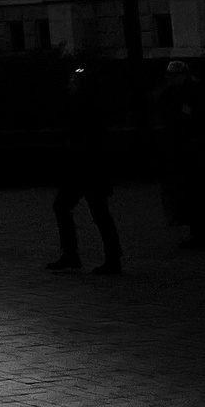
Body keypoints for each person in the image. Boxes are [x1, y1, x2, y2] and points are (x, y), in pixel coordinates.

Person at [47, 68, 122, 274]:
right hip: (83, 168)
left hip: (89, 168)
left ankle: (108, 258)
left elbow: (87, 137)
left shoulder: (89, 107)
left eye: (74, 82)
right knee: (75, 209)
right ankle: (76, 254)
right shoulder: (83, 105)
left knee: (97, 213)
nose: (70, 85)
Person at [157, 60, 205, 249]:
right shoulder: (193, 90)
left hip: (193, 149)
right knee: (196, 193)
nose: (170, 79)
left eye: (173, 75)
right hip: (191, 148)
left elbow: (191, 120)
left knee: (198, 192)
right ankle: (202, 233)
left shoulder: (191, 93)